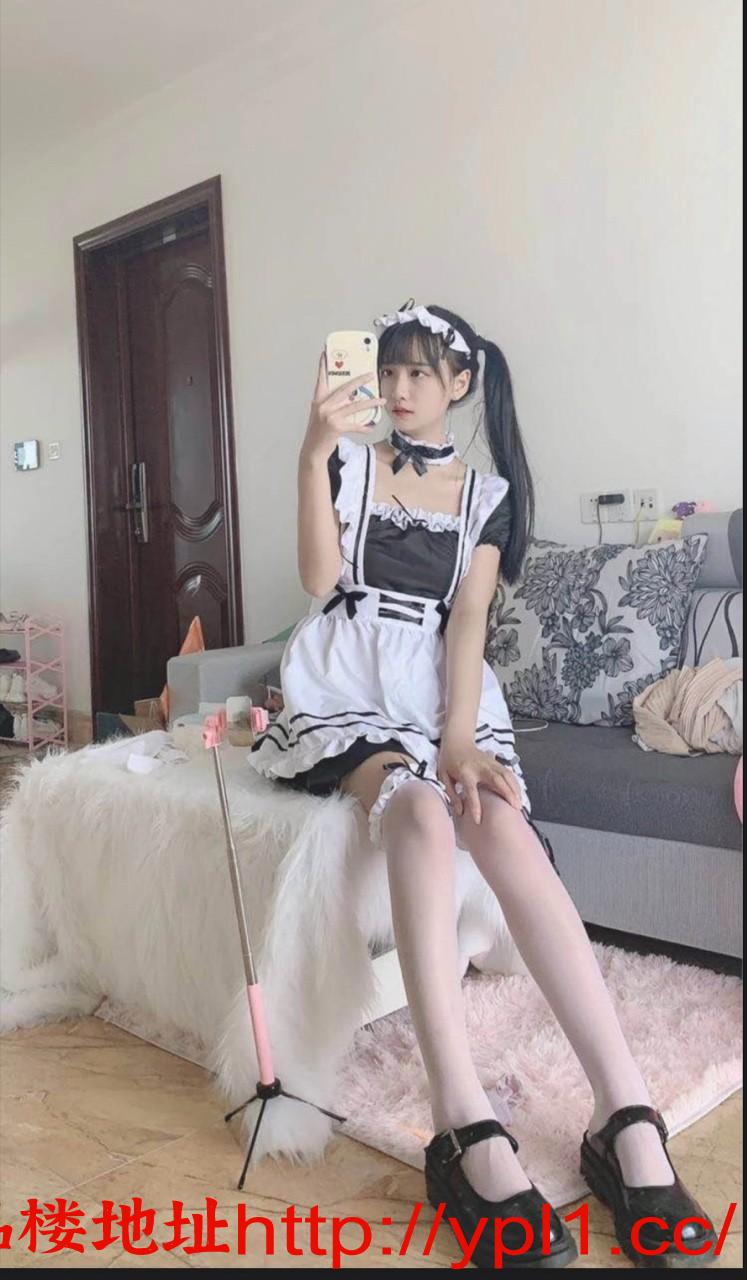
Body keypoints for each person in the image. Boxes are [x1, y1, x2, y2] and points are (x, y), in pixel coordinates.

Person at [248, 301, 717, 1269]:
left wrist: (458, 737)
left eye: (419, 372)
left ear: (460, 384)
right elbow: (319, 580)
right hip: (346, 683)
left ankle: (623, 1107)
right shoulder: (347, 463)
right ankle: (461, 1118)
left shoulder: (487, 496)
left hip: (436, 689)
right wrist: (310, 452)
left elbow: (466, 622)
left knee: (497, 819)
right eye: (389, 370)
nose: (399, 387)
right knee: (418, 813)